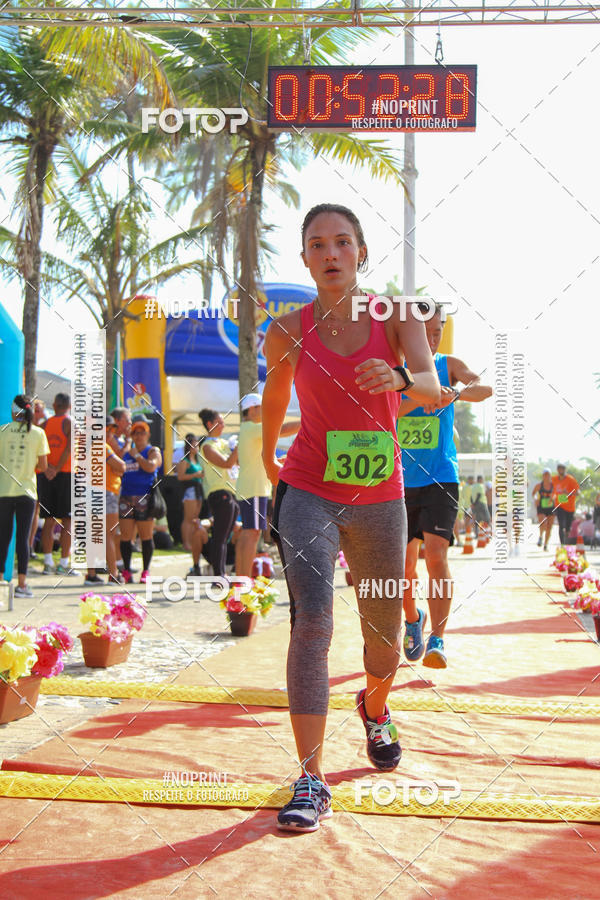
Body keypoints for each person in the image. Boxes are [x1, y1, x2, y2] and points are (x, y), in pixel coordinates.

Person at [261, 203, 440, 832]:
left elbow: (430, 386)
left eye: (342, 242)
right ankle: (311, 777)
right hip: (308, 487)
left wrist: (394, 375)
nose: (331, 253)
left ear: (361, 252)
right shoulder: (286, 329)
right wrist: (268, 459)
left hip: (379, 498)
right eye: (317, 244)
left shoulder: (397, 316)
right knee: (311, 623)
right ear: (305, 257)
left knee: (383, 634)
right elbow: (275, 395)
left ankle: (375, 705)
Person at [399, 304, 493, 668]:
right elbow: (385, 412)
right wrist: (419, 396)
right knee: (404, 569)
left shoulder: (448, 365)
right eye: (425, 331)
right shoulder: (397, 369)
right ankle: (413, 620)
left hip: (441, 476)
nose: (432, 338)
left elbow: (483, 389)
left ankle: (438, 637)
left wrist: (453, 392)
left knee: (436, 554)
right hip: (401, 481)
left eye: (438, 330)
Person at [235, 392, 299, 577]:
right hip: (253, 488)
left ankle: (240, 579)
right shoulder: (253, 428)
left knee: (249, 533)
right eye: (261, 407)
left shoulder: (248, 429)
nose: (264, 411)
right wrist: (306, 422)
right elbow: (281, 429)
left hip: (251, 487)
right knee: (252, 533)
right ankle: (243, 580)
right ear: (253, 409)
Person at [0, 395, 50, 598]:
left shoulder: (3, 431)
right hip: (27, 492)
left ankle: (2, 581)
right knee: (23, 538)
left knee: (3, 536)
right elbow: (44, 466)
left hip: (4, 491)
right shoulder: (38, 433)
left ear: (14, 411)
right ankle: (22, 583)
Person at [84, 416, 128, 586]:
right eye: (109, 429)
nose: (112, 432)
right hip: (106, 492)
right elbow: (121, 467)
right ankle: (114, 574)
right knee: (109, 535)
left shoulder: (90, 446)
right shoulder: (102, 446)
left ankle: (91, 574)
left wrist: (115, 469)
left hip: (92, 491)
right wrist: (116, 470)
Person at [118, 415, 162, 583]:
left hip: (145, 496)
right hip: (126, 496)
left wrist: (136, 455)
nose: (138, 435)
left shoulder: (152, 451)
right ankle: (127, 570)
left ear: (148, 434)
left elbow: (151, 466)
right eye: (135, 432)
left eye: (142, 432)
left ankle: (146, 570)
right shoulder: (127, 451)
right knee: (125, 536)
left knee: (145, 535)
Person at [198, 409, 239, 577]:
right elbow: (226, 463)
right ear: (210, 424)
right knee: (220, 537)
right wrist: (238, 447)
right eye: (220, 422)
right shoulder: (207, 446)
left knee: (225, 536)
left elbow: (235, 462)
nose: (223, 426)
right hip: (218, 493)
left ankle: (222, 573)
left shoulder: (222, 443)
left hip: (232, 491)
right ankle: (219, 575)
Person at [38, 392, 74, 575]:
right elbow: (69, 448)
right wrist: (57, 468)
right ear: (69, 405)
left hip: (47, 475)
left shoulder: (44, 424)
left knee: (49, 520)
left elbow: (39, 449)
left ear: (55, 404)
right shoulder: (69, 422)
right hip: (65, 473)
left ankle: (47, 562)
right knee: (67, 520)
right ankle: (63, 563)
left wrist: (48, 469)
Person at [177, 433, 204, 551]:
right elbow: (180, 476)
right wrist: (195, 475)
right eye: (194, 446)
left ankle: (193, 541)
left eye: (197, 446)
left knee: (195, 517)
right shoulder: (185, 460)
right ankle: (186, 542)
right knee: (188, 518)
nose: (196, 448)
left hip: (198, 489)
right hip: (190, 490)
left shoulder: (197, 460)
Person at [552, 463, 579, 545]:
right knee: (561, 525)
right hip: (560, 506)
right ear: (557, 470)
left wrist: (568, 493)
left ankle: (566, 537)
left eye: (562, 469)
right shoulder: (554, 479)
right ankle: (562, 544)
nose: (561, 471)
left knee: (567, 528)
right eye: (559, 469)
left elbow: (578, 493)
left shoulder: (571, 479)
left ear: (565, 470)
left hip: (570, 507)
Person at [532, 468, 554, 551]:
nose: (546, 476)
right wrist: (535, 499)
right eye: (545, 475)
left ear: (550, 476)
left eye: (548, 475)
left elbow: (556, 494)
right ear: (543, 476)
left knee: (549, 526)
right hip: (541, 506)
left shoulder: (553, 485)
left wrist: (553, 498)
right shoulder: (539, 486)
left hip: (551, 506)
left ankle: (546, 544)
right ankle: (541, 536)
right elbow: (533, 493)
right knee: (543, 523)